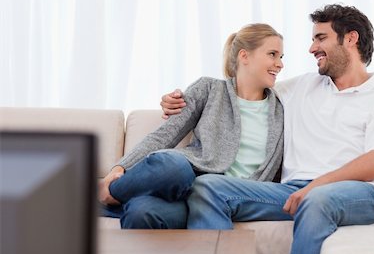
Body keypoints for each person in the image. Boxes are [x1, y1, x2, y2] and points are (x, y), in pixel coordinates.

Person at [160, 4, 374, 254]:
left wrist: (319, 186)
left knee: (317, 200)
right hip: (293, 192)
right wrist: (182, 101)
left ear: (350, 38)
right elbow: (241, 88)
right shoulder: (301, 87)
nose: (312, 48)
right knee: (207, 187)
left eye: (321, 38)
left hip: (361, 191)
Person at [98, 23, 285, 229]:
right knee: (166, 174)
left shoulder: (284, 106)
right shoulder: (209, 89)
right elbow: (164, 135)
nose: (280, 64)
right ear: (244, 56)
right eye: (272, 54)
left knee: (143, 207)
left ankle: (97, 200)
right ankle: (110, 191)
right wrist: (119, 168)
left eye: (281, 57)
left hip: (234, 198)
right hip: (186, 190)